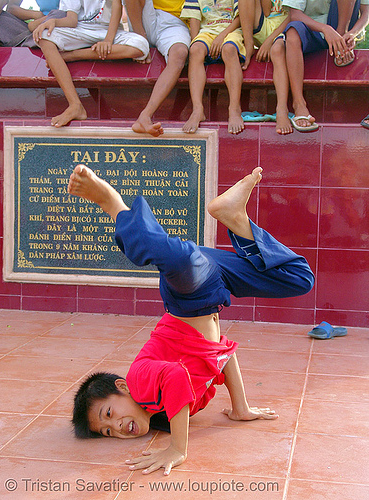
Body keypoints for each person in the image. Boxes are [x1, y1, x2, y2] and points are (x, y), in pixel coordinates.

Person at [68, 164, 314, 475]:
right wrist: (241, 408)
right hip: (213, 286)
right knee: (298, 278)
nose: (116, 427)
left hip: (190, 297)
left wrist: (177, 449)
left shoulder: (140, 381)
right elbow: (223, 355)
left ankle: (110, 202)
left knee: (169, 255)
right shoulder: (175, 409)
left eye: (107, 413)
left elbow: (174, 378)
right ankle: (235, 218)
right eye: (107, 431)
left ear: (122, 388)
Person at [32, 0, 149, 128]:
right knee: (44, 36)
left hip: (109, 31)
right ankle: (75, 105)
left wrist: (108, 41)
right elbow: (72, 20)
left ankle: (70, 56)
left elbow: (117, 6)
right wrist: (54, 22)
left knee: (140, 45)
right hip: (82, 30)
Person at [273, 0, 369, 132]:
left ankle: (341, 45)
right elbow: (295, 15)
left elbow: (366, 11)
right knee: (293, 31)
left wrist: (353, 33)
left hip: (342, 28)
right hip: (312, 28)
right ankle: (299, 104)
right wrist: (325, 28)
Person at [125, 0, 191, 136]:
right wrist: (141, 41)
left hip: (175, 21)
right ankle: (139, 39)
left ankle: (145, 116)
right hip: (144, 15)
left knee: (180, 53)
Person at [180, 0, 246, 135]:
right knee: (195, 50)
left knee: (229, 49)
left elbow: (241, 18)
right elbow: (194, 19)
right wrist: (195, 43)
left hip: (231, 31)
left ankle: (234, 109)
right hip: (207, 32)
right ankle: (197, 109)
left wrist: (221, 37)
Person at [239, 0, 292, 134]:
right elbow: (267, 11)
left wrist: (270, 41)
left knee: (277, 50)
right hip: (265, 24)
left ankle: (281, 109)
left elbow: (295, 15)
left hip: (287, 27)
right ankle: (249, 42)